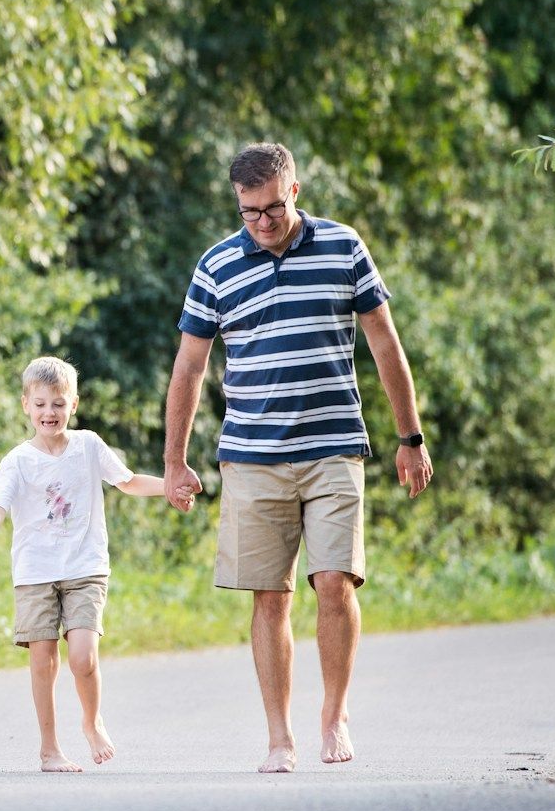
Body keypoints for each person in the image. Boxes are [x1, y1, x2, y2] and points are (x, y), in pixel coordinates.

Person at [163, 142, 433, 773]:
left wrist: (410, 436)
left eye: (273, 208)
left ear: (296, 191)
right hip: (253, 456)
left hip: (334, 445)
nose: (261, 222)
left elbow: (385, 345)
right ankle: (279, 735)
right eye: (249, 211)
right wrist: (175, 461)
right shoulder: (217, 267)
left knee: (335, 583)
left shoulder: (344, 246)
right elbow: (189, 367)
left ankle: (334, 714)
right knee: (270, 596)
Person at [0, 356, 169, 772]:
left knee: (82, 658)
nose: (49, 413)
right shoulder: (17, 461)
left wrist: (170, 486)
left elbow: (128, 482)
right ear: (25, 404)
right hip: (35, 573)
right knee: (42, 659)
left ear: (73, 405)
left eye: (58, 404)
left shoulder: (89, 446)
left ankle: (92, 722)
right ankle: (49, 749)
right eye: (40, 404)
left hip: (85, 567)